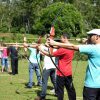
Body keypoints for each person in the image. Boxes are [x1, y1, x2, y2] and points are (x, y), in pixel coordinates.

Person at [47, 29, 100, 100]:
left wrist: (55, 43)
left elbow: (73, 47)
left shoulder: (93, 48)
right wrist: (83, 41)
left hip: (91, 86)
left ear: (97, 37)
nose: (88, 37)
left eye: (90, 36)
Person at [39, 33, 76, 100]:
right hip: (69, 73)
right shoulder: (72, 47)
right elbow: (58, 46)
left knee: (60, 91)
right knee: (70, 89)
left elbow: (51, 54)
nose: (60, 39)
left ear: (65, 38)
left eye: (61, 38)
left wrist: (41, 50)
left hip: (61, 73)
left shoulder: (63, 49)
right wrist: (50, 45)